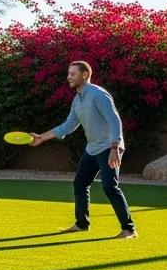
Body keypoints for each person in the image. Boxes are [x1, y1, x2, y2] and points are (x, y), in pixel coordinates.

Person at [30, 60, 137, 239]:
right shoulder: (77, 100)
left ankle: (129, 229)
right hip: (92, 149)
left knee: (109, 187)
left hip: (108, 147)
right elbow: (69, 125)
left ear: (85, 75)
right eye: (68, 73)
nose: (68, 77)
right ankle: (81, 224)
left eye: (73, 74)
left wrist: (115, 147)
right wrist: (41, 137)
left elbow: (114, 120)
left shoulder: (98, 94)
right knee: (80, 184)